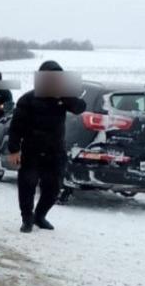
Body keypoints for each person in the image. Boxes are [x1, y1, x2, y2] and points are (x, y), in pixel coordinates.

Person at [7, 61, 86, 233]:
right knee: (27, 185)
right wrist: (13, 150)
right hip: (32, 150)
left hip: (55, 151)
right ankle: (27, 218)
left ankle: (40, 215)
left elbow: (80, 107)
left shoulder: (63, 98)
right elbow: (16, 127)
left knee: (53, 188)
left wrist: (65, 96)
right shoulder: (27, 99)